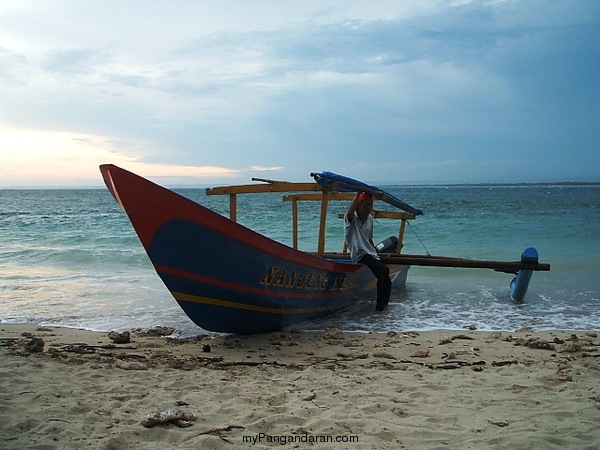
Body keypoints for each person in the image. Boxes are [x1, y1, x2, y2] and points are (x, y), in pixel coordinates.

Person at [344, 191, 392, 311]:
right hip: (360, 254)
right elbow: (350, 212)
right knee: (384, 270)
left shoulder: (370, 219)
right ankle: (379, 307)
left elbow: (369, 238)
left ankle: (385, 305)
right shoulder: (351, 219)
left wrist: (375, 252)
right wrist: (358, 193)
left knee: (387, 279)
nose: (368, 208)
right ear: (358, 206)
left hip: (370, 252)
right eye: (365, 205)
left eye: (370, 205)